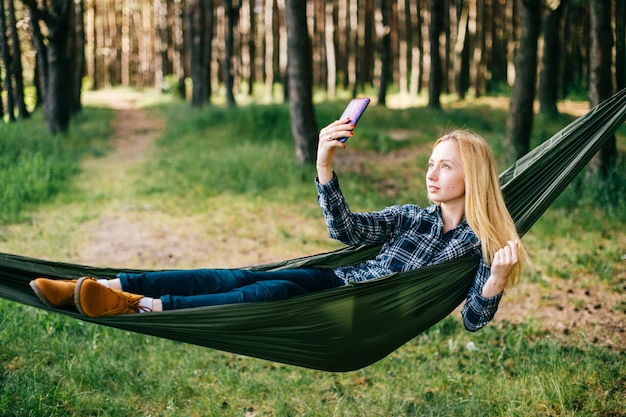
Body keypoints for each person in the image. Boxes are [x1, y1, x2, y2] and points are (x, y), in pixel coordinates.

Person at [30, 117, 526, 332]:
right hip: (336, 282)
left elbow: (471, 321)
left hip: (358, 313)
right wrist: (324, 166)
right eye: (430, 162)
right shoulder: (413, 219)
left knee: (266, 297)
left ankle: (143, 307)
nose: (430, 173)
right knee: (238, 279)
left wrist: (496, 283)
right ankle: (103, 286)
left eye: (445, 165)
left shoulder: (480, 248)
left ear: (473, 175)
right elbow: (348, 232)